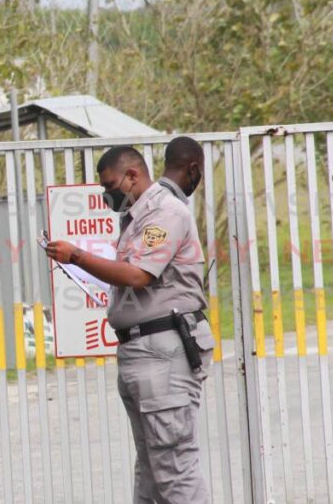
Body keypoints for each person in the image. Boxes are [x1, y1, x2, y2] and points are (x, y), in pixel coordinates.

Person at [44, 146, 214, 503]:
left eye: (111, 185)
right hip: (142, 353)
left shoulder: (165, 213)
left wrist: (77, 256)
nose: (108, 195)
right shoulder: (136, 219)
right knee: (152, 469)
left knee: (173, 467)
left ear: (133, 176)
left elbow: (138, 275)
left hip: (163, 354)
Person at [159, 136, 204, 202]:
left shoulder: (147, 195)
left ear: (166, 163)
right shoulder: (175, 207)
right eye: (201, 170)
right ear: (193, 169)